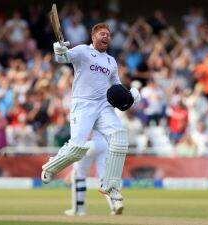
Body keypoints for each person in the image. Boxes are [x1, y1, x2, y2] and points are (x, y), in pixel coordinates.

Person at [41, 23, 140, 207]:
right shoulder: (82, 51)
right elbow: (63, 58)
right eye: (102, 33)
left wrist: (130, 97)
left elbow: (116, 87)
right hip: (83, 104)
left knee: (120, 137)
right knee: (77, 149)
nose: (106, 37)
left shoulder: (111, 61)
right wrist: (59, 49)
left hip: (103, 105)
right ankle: (51, 166)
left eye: (109, 35)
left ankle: (110, 185)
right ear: (93, 36)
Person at [64, 131, 123, 216]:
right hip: (102, 142)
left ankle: (79, 210)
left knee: (79, 176)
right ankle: (116, 203)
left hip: (85, 142)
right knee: (105, 177)